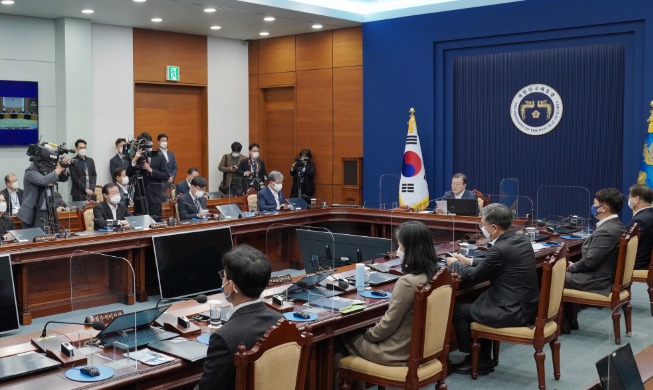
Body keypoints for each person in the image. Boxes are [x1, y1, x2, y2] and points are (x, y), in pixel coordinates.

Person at [446, 203, 539, 375]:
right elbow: (498, 262)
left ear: (494, 228)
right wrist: (469, 261)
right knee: (479, 301)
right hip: (526, 306)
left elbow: (473, 276)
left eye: (483, 224)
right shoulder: (521, 240)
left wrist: (454, 264)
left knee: (460, 310)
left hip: (511, 310)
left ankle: (476, 359)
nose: (481, 228)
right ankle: (485, 359)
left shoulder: (500, 248)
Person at [341, 220, 439, 368]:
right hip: (420, 348)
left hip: (395, 352)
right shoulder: (434, 275)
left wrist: (367, 333)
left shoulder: (407, 283)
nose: (397, 250)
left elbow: (388, 325)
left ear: (410, 249)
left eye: (399, 245)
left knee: (341, 338)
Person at [195, 244, 282, 390]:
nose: (222, 280)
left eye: (224, 276)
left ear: (231, 286)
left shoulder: (224, 338)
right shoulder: (280, 321)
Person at [564, 188, 626, 331]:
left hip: (597, 281)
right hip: (602, 276)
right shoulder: (618, 226)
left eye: (595, 203)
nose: (593, 207)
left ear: (603, 208)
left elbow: (590, 262)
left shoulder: (605, 232)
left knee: (547, 277)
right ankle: (569, 321)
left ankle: (559, 324)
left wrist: (572, 267)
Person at [17, 154, 71, 229]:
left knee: (45, 238)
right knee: (34, 238)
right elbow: (43, 181)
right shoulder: (30, 171)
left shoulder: (47, 170)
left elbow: (63, 178)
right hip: (32, 213)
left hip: (45, 212)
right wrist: (59, 169)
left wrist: (63, 167)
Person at [131, 132, 170, 220]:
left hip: (155, 198)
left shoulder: (159, 156)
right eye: (145, 144)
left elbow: (166, 175)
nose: (148, 146)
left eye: (149, 143)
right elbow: (129, 173)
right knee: (140, 225)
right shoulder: (135, 157)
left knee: (155, 224)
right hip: (139, 197)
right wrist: (134, 160)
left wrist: (151, 170)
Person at [627, 184, 653, 270]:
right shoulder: (649, 215)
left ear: (637, 199)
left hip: (638, 266)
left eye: (630, 197)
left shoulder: (640, 220)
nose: (628, 200)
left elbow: (628, 246)